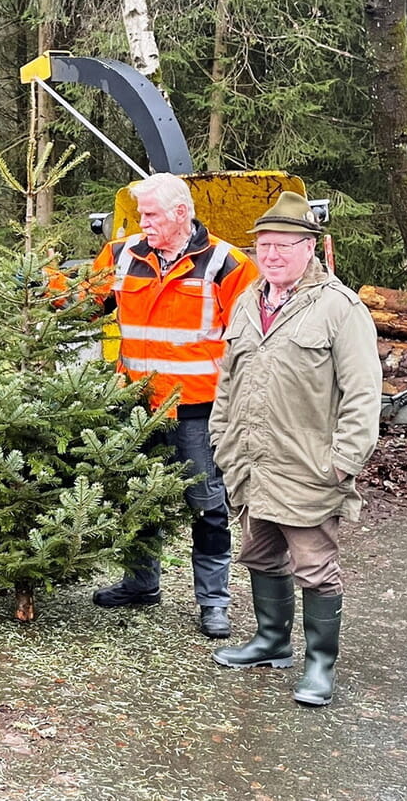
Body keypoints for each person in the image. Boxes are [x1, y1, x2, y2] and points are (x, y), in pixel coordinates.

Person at [209, 191, 382, 706]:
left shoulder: (339, 308)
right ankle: (270, 641)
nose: (272, 254)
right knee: (260, 554)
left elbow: (363, 393)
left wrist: (343, 463)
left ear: (310, 247)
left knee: (314, 567)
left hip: (309, 467)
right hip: (251, 463)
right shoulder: (246, 302)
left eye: (284, 245)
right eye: (264, 245)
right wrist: (222, 440)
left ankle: (319, 666)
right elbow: (227, 381)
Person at [89, 172, 259, 639]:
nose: (141, 223)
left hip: (197, 410)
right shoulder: (123, 255)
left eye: (151, 215)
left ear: (181, 213)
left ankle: (214, 602)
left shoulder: (227, 264)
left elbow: (252, 338)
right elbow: (82, 301)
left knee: (208, 506)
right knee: (138, 497)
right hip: (137, 405)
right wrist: (33, 284)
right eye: (141, 214)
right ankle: (140, 584)